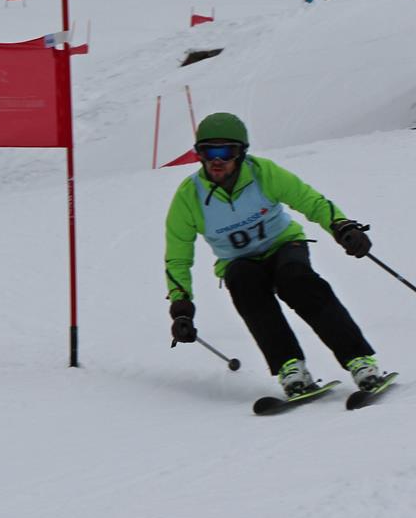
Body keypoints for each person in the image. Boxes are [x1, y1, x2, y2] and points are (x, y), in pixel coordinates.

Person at [164, 112, 388, 398]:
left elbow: (310, 200)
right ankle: (289, 367)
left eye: (226, 151)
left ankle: (359, 360)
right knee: (244, 283)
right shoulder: (189, 197)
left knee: (297, 280)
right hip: (239, 261)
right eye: (209, 152)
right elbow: (178, 257)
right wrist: (181, 308)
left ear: (241, 153)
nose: (217, 160)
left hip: (283, 245)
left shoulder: (263, 174)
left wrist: (342, 226)